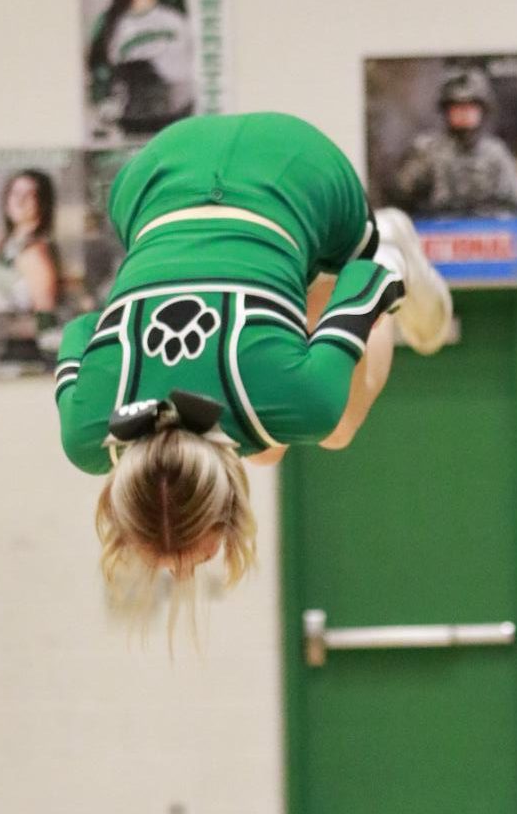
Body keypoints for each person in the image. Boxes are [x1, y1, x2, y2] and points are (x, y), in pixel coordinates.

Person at [55, 111, 453, 601]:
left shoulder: (303, 402)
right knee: (268, 440)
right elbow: (81, 329)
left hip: (299, 167)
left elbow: (365, 284)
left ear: (233, 511)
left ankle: (392, 239)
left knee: (336, 428)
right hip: (158, 163)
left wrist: (379, 265)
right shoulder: (85, 431)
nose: (183, 577)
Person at [87, 0, 196, 140]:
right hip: (131, 127)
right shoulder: (112, 24)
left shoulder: (179, 20)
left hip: (176, 123)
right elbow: (98, 75)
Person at [393, 66, 517, 218]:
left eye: (470, 107)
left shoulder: (496, 153)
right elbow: (401, 197)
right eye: (457, 107)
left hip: (485, 232)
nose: (464, 113)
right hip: (435, 230)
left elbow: (514, 205)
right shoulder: (427, 151)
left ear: (482, 110)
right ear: (447, 111)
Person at [0, 169, 61, 316]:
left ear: (42, 203)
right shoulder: (8, 244)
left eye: (29, 194)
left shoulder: (34, 253)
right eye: (15, 193)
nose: (20, 200)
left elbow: (45, 313)